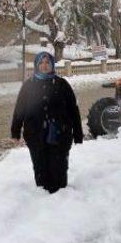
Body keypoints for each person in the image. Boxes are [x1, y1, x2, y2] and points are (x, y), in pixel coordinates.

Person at [11, 51, 83, 193]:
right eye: (41, 63)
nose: (44, 66)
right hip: (35, 134)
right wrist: (15, 131)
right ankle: (42, 198)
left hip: (60, 134)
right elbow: (20, 109)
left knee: (59, 167)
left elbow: (73, 110)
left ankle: (61, 198)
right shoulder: (29, 85)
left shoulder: (62, 84)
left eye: (47, 63)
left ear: (52, 65)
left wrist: (78, 134)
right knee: (40, 166)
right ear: (37, 65)